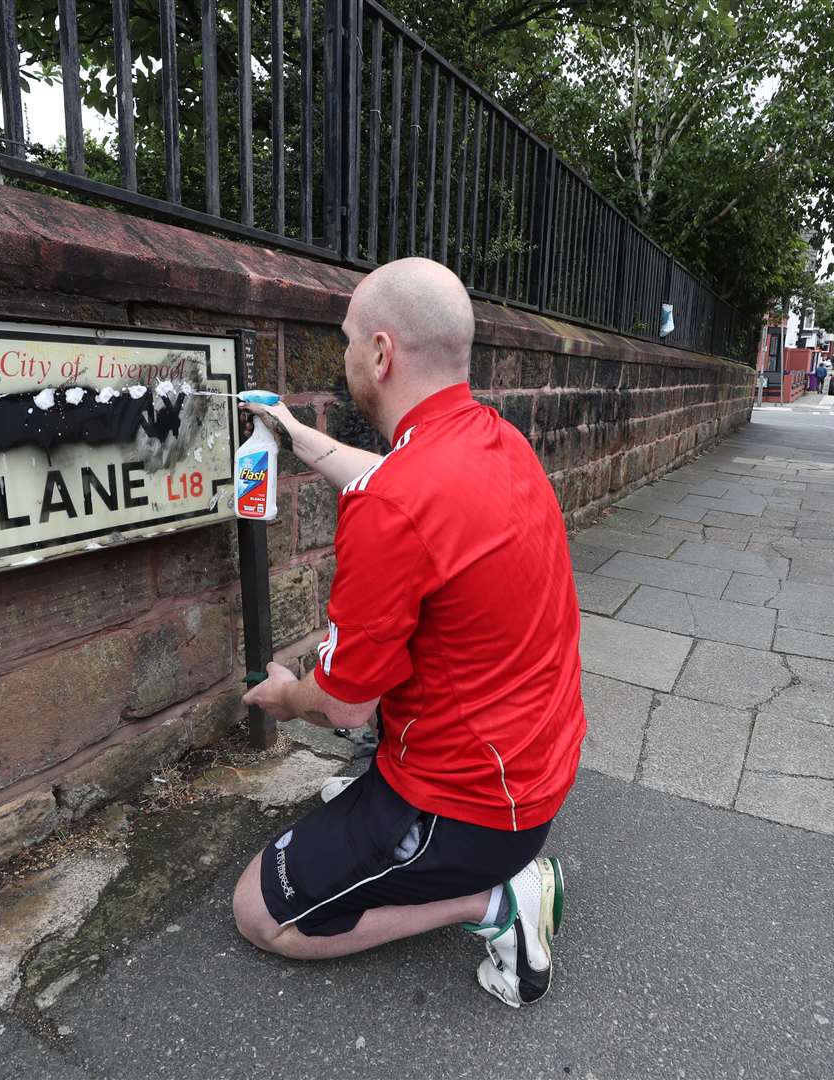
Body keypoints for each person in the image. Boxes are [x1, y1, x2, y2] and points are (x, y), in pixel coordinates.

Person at [233, 257, 585, 1008]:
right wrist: (295, 434)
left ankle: (495, 904)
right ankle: (444, 849)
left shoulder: (394, 503)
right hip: (531, 770)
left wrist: (286, 695)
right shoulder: (494, 439)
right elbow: (394, 482)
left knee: (260, 913)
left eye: (350, 340)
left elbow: (344, 705)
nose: (347, 353)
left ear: (382, 354)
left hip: (469, 807)